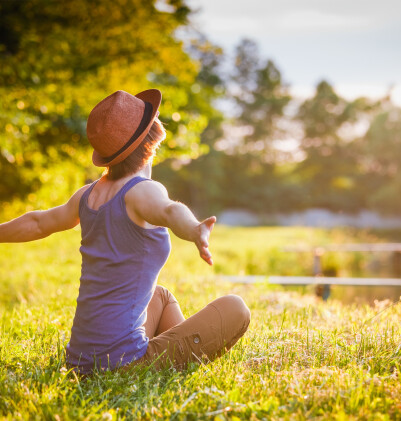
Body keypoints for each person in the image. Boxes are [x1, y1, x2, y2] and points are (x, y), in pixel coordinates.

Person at [0, 89, 251, 374]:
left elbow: (38, 222)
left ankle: (173, 356)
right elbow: (169, 211)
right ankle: (168, 365)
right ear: (153, 138)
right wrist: (195, 229)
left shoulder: (87, 195)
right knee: (236, 308)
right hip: (122, 364)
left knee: (160, 296)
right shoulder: (141, 191)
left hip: (79, 360)